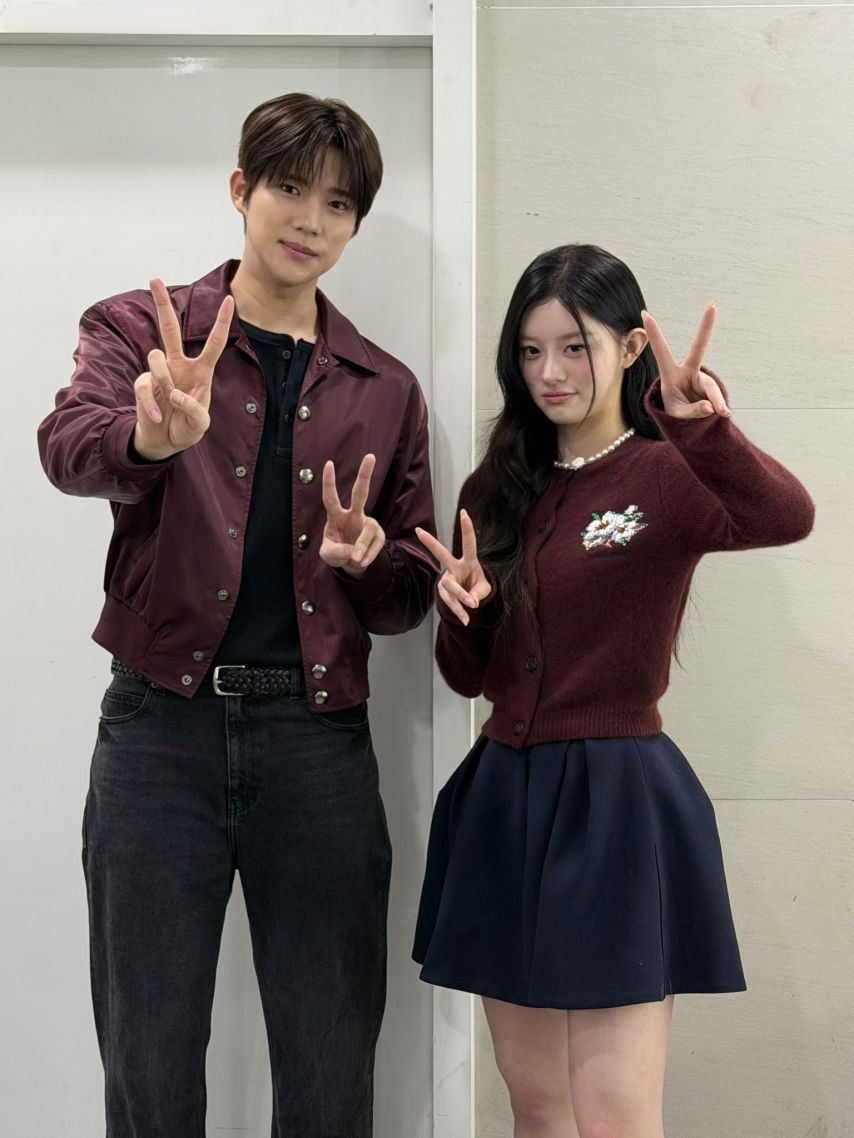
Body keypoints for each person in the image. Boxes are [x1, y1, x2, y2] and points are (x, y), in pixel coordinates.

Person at [37, 92, 437, 1138]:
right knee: (149, 1063)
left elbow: (407, 595)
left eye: (338, 203)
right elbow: (66, 448)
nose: (310, 219)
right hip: (157, 732)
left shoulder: (385, 387)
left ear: (353, 225)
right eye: (289, 188)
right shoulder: (142, 329)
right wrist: (149, 438)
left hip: (317, 742)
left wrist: (370, 563)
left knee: (329, 1064)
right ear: (240, 190)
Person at [413, 243, 814, 1138]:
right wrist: (463, 612)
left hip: (617, 804)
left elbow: (786, 517)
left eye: (574, 346)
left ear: (631, 347)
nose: (549, 372)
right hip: (503, 797)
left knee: (616, 1114)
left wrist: (700, 426)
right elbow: (467, 676)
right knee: (536, 1107)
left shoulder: (670, 471)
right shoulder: (495, 486)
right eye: (529, 350)